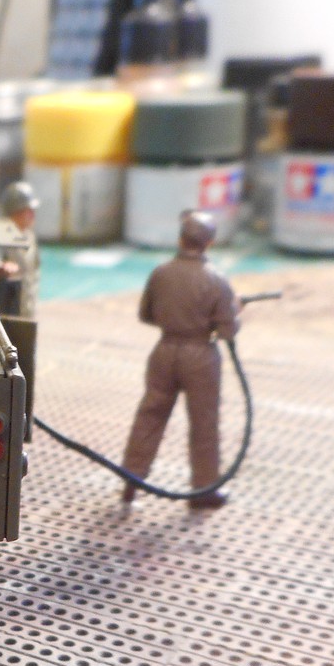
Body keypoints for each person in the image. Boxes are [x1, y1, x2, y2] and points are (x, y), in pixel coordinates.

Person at [121, 210, 240, 509]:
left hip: (164, 351)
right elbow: (227, 331)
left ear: (181, 239)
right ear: (209, 243)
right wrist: (233, 312)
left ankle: (131, 480)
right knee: (204, 423)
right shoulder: (217, 280)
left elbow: (146, 314)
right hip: (200, 356)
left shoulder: (160, 273)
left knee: (150, 415)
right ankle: (204, 488)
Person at [0, 181, 40, 319]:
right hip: (7, 310)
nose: (32, 214)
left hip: (27, 307)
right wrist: (1, 266)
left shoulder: (29, 236)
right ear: (15, 212)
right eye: (28, 210)